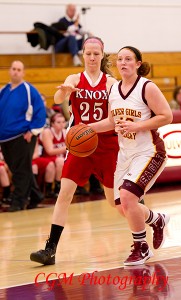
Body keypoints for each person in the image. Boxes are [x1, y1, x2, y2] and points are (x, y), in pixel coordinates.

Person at [30, 36, 119, 265]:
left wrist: (91, 128)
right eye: (88, 53)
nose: (91, 57)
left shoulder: (110, 83)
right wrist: (66, 92)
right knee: (64, 194)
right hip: (80, 147)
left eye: (95, 54)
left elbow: (114, 118)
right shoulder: (74, 78)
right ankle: (50, 250)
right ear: (82, 54)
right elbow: (58, 98)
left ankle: (146, 225)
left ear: (102, 55)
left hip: (106, 145)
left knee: (113, 200)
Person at [89, 46, 173, 265]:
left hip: (150, 152)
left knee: (128, 197)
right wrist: (86, 128)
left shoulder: (147, 87)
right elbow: (110, 121)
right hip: (125, 154)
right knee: (122, 206)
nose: (123, 62)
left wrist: (138, 126)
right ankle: (157, 220)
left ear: (137, 64)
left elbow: (167, 116)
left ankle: (141, 247)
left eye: (128, 59)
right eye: (119, 59)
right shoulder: (114, 90)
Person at [0, 61, 46, 212]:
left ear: (23, 73)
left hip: (22, 136)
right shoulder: (4, 91)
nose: (15, 72)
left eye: (19, 69)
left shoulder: (29, 90)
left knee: (20, 171)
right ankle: (36, 195)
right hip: (4, 138)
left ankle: (19, 201)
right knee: (19, 169)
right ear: (10, 71)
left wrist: (32, 131)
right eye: (13, 69)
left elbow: (40, 111)